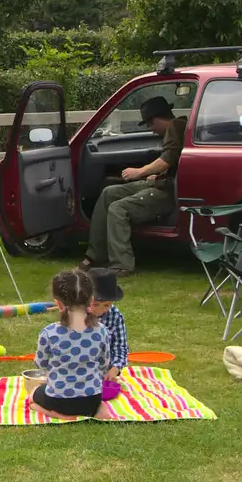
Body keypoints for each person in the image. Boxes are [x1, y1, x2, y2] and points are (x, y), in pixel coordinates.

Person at [84, 95, 187, 276]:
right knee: (108, 192)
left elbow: (168, 159)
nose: (151, 130)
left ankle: (122, 265)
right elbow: (174, 163)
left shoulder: (175, 126)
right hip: (160, 182)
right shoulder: (178, 127)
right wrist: (156, 174)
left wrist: (139, 172)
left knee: (118, 208)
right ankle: (96, 255)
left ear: (155, 119)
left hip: (167, 191)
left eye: (150, 125)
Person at [30, 268, 111, 420]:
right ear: (91, 301)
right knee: (93, 403)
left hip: (58, 400)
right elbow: (104, 364)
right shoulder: (101, 331)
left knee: (33, 394)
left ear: (58, 304)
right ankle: (98, 410)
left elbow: (40, 365)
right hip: (91, 399)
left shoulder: (49, 333)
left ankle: (56, 414)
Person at [81, 266, 128, 386]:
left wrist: (115, 369)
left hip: (104, 371)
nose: (101, 310)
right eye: (96, 304)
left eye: (106, 305)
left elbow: (120, 347)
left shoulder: (115, 316)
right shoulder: (76, 315)